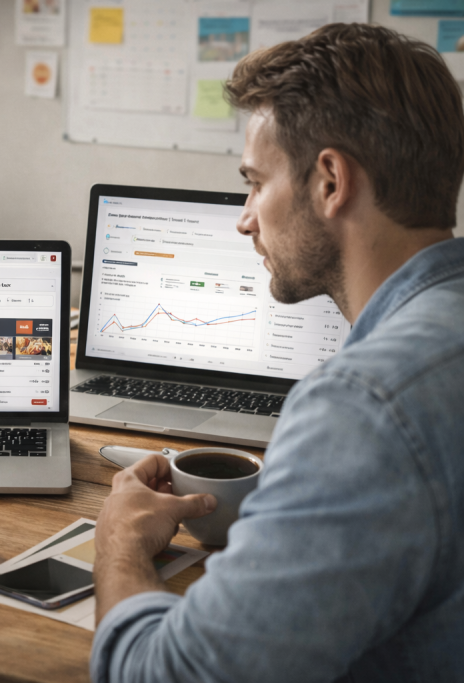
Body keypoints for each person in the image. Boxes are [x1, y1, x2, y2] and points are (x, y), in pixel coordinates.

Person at [90, 23, 464, 683]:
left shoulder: (362, 409)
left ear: (329, 182)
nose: (243, 217)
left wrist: (119, 544)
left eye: (255, 182)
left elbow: (162, 676)